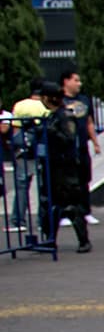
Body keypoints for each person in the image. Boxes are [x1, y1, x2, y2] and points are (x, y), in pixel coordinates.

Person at [37, 81, 92, 252]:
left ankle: (84, 241)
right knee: (51, 204)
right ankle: (50, 239)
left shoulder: (64, 115)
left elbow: (69, 138)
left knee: (72, 204)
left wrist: (52, 131)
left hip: (66, 166)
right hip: (53, 165)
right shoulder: (51, 116)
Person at [5, 77, 48, 236]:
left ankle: (18, 220)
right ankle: (43, 222)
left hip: (24, 149)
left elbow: (15, 129)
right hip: (42, 148)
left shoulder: (20, 105)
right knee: (44, 186)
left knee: (22, 185)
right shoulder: (46, 105)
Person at [59, 70, 101, 226]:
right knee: (67, 182)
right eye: (76, 80)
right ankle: (65, 214)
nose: (79, 84)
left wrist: (95, 142)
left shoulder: (84, 100)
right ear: (66, 81)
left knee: (84, 180)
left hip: (82, 146)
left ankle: (85, 211)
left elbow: (89, 121)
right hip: (66, 148)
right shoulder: (59, 100)